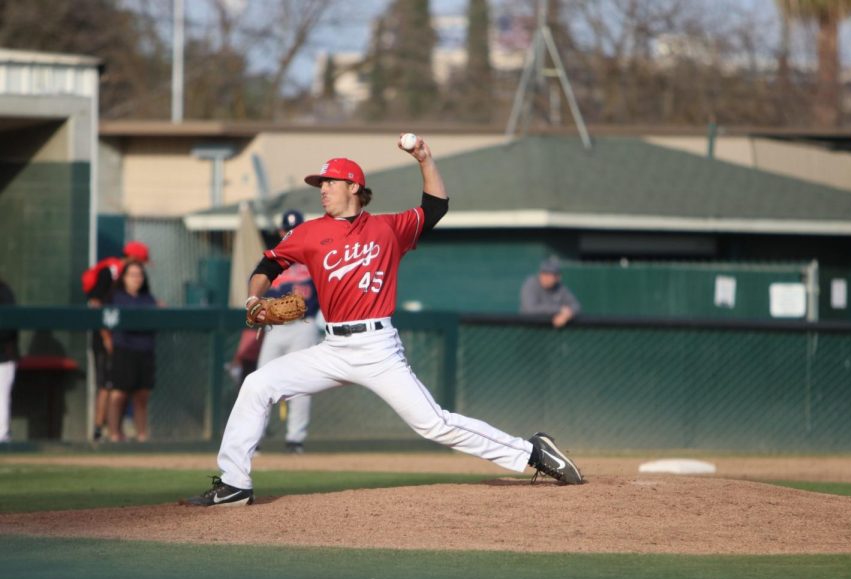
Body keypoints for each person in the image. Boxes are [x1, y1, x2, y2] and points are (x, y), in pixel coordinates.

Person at [184, 135, 584, 507]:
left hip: (377, 348)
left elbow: (435, 208)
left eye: (330, 182)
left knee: (433, 424)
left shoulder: (387, 227)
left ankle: (532, 451)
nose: (322, 189)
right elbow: (268, 263)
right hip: (332, 347)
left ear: (354, 187)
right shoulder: (309, 233)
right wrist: (255, 296)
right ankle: (235, 484)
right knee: (257, 384)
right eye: (319, 183)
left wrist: (424, 159)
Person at [257, 209, 322, 453]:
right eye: (286, 230)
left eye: (293, 229)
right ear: (280, 232)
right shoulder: (272, 259)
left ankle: (295, 439)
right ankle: (255, 438)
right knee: (261, 381)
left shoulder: (314, 257)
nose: (288, 233)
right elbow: (256, 287)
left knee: (301, 384)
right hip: (275, 327)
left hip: (303, 327)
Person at [85, 240, 150, 441]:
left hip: (120, 338)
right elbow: (95, 303)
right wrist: (106, 336)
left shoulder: (125, 275)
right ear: (132, 258)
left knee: (116, 385)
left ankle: (116, 430)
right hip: (106, 336)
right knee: (107, 385)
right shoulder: (110, 271)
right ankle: (99, 430)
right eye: (141, 262)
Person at [105, 260, 158, 442]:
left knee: (141, 395)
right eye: (132, 275)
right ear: (124, 277)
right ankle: (113, 434)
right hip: (123, 349)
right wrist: (108, 341)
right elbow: (105, 322)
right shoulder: (116, 297)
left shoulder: (148, 299)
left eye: (139, 275)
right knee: (118, 393)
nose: (136, 279)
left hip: (145, 350)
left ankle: (142, 436)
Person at [519, 257, 581, 328]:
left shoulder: (560, 288)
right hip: (530, 329)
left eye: (549, 274)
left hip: (552, 331)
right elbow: (530, 309)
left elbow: (576, 305)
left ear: (557, 277)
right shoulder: (531, 284)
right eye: (544, 273)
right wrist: (559, 310)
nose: (545, 277)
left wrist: (567, 315)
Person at [0, 277, 18, 444]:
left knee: (2, 397)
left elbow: (9, 327)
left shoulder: (4, 292)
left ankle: (3, 437)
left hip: (4, 356)